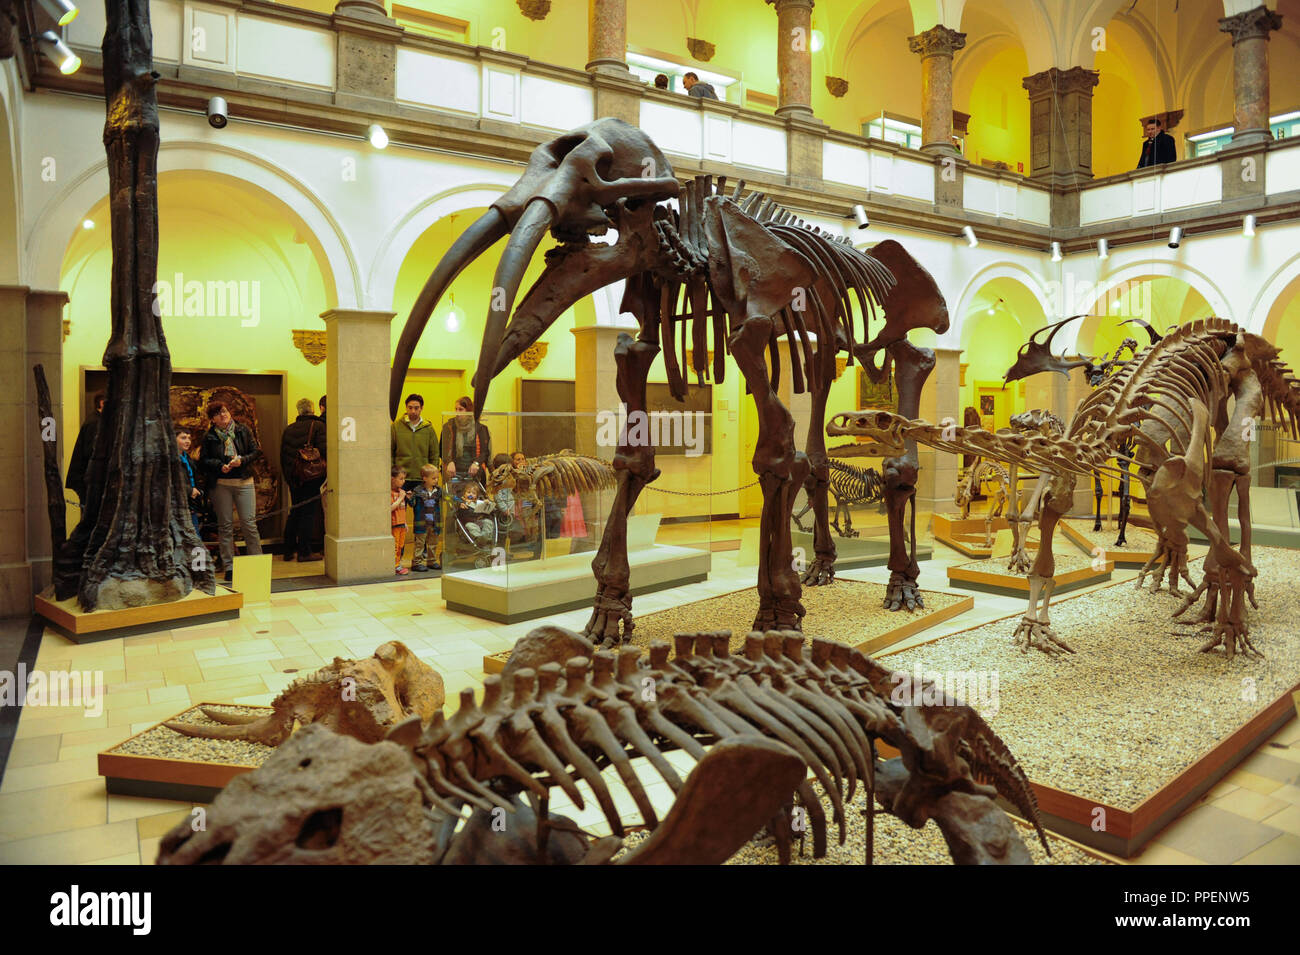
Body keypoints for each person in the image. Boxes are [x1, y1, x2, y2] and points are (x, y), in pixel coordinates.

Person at [200, 400, 264, 582]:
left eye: (225, 411)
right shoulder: (209, 436)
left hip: (244, 482)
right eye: (218, 413)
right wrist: (220, 466)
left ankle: (257, 563)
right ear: (213, 419)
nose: (224, 414)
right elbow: (204, 460)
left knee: (249, 524)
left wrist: (242, 460)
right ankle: (229, 566)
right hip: (222, 484)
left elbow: (256, 451)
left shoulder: (243, 430)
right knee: (225, 526)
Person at [280, 398, 326, 562]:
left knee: (296, 510)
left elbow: (283, 456)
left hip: (294, 478)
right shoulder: (319, 426)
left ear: (298, 411)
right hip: (312, 477)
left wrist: (289, 478)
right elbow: (324, 451)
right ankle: (305, 552)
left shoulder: (289, 429)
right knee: (308, 513)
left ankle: (287, 550)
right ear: (313, 409)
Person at [392, 393, 438, 498]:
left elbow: (434, 453)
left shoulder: (428, 428)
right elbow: (390, 451)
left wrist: (433, 475)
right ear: (406, 408)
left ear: (421, 408)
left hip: (422, 478)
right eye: (410, 407)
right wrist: (393, 473)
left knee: (421, 511)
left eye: (416, 408)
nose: (413, 411)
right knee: (399, 510)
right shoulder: (396, 426)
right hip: (401, 477)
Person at [440, 395, 492, 484]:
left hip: (474, 470)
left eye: (460, 409)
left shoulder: (481, 428)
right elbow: (442, 449)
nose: (457, 412)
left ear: (469, 411)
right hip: (454, 470)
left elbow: (485, 451)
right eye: (456, 409)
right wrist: (449, 462)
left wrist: (476, 463)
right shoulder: (448, 426)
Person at [66, 391, 104, 506]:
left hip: (84, 478)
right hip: (87, 479)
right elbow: (91, 451)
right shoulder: (95, 423)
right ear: (102, 403)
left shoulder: (94, 421)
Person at [411, 463, 443, 572]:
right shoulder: (418, 491)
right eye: (433, 478)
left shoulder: (438, 491)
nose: (436, 480)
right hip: (422, 523)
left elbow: (449, 497)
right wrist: (409, 497)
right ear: (425, 478)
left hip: (434, 523)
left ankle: (431, 561)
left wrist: (460, 502)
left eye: (437, 478)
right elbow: (411, 503)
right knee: (420, 543)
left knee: (433, 543)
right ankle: (416, 563)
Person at [176, 427, 203, 538]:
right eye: (183, 438)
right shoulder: (170, 459)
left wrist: (198, 491)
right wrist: (189, 490)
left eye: (189, 438)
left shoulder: (187, 458)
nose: (187, 441)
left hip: (190, 504)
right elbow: (172, 482)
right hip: (177, 506)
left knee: (195, 539)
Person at [391, 465, 411, 575]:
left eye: (404, 479)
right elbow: (390, 508)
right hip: (394, 524)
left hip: (401, 524)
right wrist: (400, 498)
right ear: (392, 479)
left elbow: (402, 510)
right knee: (394, 546)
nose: (403, 481)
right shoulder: (390, 493)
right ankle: (393, 566)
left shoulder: (401, 492)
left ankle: (397, 564)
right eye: (401, 478)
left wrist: (405, 523)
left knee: (400, 546)